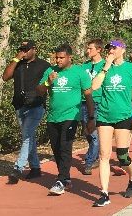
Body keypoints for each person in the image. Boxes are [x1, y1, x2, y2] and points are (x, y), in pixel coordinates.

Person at [89, 39, 132, 207]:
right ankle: (104, 193)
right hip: (104, 115)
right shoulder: (104, 67)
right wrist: (106, 66)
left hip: (124, 115)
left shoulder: (131, 69)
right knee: (104, 155)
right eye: (109, 48)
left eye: (114, 47)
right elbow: (94, 86)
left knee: (122, 156)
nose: (110, 50)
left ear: (122, 49)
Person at [36, 45, 94, 196]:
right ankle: (66, 179)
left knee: (65, 146)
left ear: (70, 58)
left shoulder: (79, 72)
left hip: (71, 116)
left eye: (61, 58)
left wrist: (91, 117)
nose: (58, 60)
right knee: (56, 148)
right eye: (57, 57)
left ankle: (60, 181)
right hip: (53, 116)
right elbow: (39, 91)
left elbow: (88, 95)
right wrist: (48, 82)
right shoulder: (50, 71)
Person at [3, 39, 51, 183]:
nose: (24, 52)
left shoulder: (44, 65)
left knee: (27, 137)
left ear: (34, 49)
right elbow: (5, 77)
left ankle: (18, 168)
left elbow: (50, 83)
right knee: (28, 137)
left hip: (36, 106)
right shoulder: (18, 64)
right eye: (22, 49)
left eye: (26, 49)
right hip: (19, 106)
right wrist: (16, 59)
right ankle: (35, 168)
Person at [81, 39, 106, 175]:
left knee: (93, 132)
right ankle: (95, 155)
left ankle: (89, 162)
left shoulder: (105, 65)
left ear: (99, 49)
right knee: (87, 132)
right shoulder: (84, 66)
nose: (88, 51)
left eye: (90, 48)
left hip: (97, 102)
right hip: (83, 102)